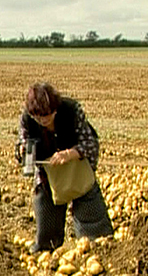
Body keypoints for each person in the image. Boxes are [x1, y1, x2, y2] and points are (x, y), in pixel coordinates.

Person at [17, 82, 114, 254]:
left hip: (78, 172)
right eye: (39, 117)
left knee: (96, 234)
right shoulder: (28, 120)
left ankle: (97, 254)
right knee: (46, 232)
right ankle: (48, 256)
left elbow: (90, 143)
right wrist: (22, 151)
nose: (44, 120)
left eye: (48, 115)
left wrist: (68, 154)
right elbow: (24, 153)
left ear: (56, 108)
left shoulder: (71, 111)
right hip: (49, 176)